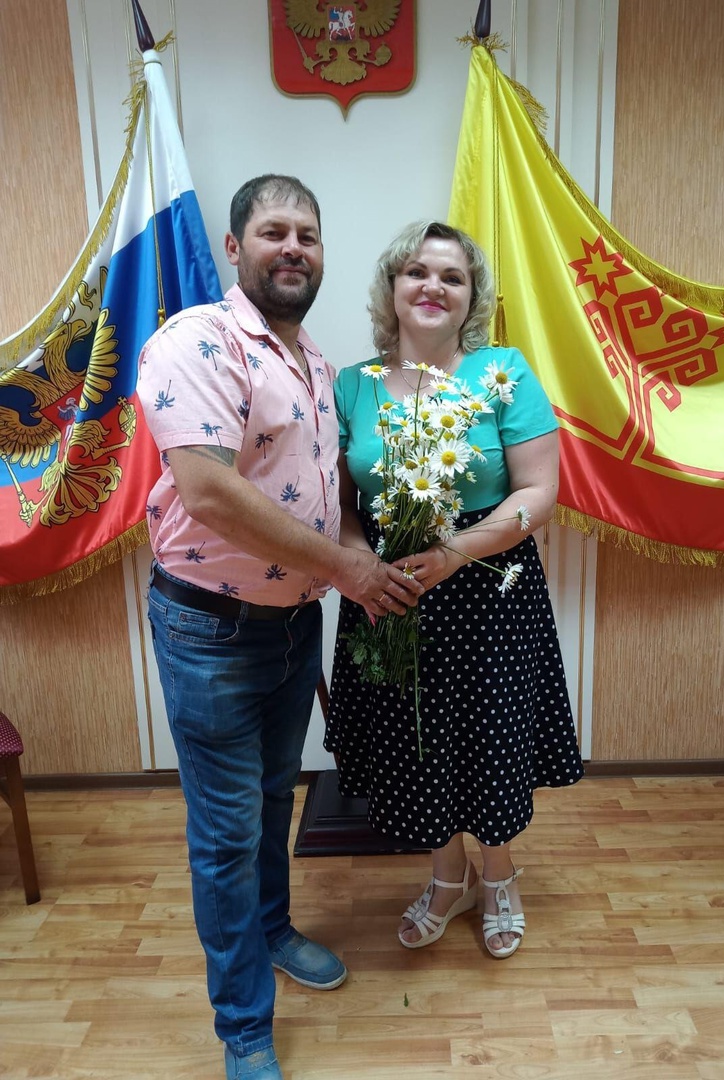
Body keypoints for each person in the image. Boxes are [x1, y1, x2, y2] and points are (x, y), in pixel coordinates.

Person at [137, 175, 422, 1080]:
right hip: (211, 632)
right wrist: (347, 569)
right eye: (273, 231)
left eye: (308, 233)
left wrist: (359, 561)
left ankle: (272, 929)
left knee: (271, 801)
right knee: (226, 832)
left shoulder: (317, 364)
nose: (293, 246)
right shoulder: (197, 341)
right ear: (235, 248)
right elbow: (210, 493)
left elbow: (329, 493)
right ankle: (244, 1029)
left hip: (294, 627)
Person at [324, 220, 584, 960]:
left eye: (452, 276)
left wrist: (451, 552)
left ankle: (498, 875)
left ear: (473, 297)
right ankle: (448, 877)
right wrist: (359, 566)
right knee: (416, 741)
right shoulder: (352, 384)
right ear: (392, 288)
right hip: (388, 590)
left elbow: (538, 493)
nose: (433, 286)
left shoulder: (503, 371)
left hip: (486, 591)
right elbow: (341, 503)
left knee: (490, 737)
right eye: (417, 272)